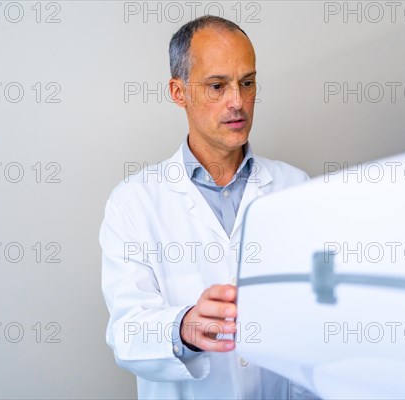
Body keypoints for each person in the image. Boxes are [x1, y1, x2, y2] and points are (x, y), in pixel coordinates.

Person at [100, 16, 311, 399]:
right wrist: (183, 327)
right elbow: (126, 333)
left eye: (247, 83)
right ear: (178, 92)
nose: (238, 102)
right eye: (217, 86)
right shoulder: (133, 203)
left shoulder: (297, 189)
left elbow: (319, 317)